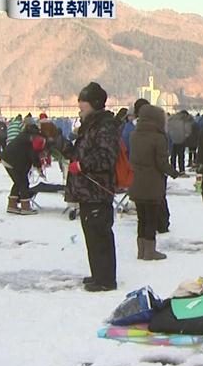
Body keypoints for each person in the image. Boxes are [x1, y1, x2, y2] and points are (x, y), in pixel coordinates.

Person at [66, 82, 121, 292]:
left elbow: (107, 156)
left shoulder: (104, 126)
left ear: (95, 104)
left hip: (97, 190)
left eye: (83, 102)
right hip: (87, 190)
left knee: (100, 234)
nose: (80, 106)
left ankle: (106, 279)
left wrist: (82, 165)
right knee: (92, 234)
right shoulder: (91, 125)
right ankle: (98, 273)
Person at [129, 104, 180, 261]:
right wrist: (174, 172)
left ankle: (141, 250)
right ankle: (150, 251)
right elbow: (161, 162)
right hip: (152, 183)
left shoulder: (133, 135)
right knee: (151, 218)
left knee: (141, 218)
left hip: (136, 182)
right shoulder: (158, 138)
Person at [1, 124, 45, 215]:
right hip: (13, 161)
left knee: (18, 182)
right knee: (23, 183)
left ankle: (12, 205)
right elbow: (33, 155)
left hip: (7, 159)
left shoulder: (23, 136)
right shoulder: (30, 140)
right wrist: (39, 168)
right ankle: (26, 207)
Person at [167, 109, 192, 174]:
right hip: (181, 140)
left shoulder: (171, 118)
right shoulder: (184, 119)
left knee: (173, 156)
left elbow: (167, 128)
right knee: (181, 157)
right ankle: (181, 171)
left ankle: (172, 170)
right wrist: (186, 135)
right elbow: (188, 130)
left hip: (172, 140)